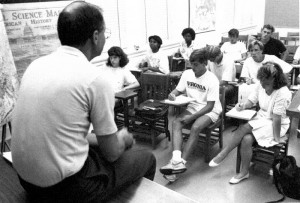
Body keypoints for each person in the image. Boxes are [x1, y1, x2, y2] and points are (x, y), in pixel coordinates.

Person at [11, 2, 156, 202]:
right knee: (146, 158)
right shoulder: (94, 79)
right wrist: (122, 138)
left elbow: (62, 133)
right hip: (65, 189)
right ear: (95, 36)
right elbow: (112, 153)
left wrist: (103, 140)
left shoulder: (35, 66)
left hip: (25, 180)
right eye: (105, 32)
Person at [209, 62, 292, 184]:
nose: (263, 85)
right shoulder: (261, 84)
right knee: (246, 139)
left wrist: (276, 138)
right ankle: (244, 172)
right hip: (262, 120)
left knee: (244, 127)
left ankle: (223, 154)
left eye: (266, 82)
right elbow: (252, 100)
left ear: (275, 79)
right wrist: (243, 106)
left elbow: (277, 118)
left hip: (277, 125)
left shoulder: (283, 92)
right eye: (261, 81)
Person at [160, 48, 222, 182]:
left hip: (210, 110)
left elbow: (210, 106)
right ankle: (176, 160)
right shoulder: (187, 74)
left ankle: (182, 162)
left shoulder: (212, 79)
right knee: (176, 122)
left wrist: (191, 118)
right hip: (193, 106)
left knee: (195, 127)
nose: (193, 68)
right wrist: (173, 95)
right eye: (191, 64)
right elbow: (178, 90)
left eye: (196, 65)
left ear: (205, 63)